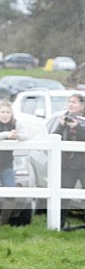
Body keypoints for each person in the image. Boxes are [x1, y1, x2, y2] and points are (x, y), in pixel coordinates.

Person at [0, 101, 30, 225]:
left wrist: (16, 135)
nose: (5, 115)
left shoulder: (15, 123)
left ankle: (2, 222)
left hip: (6, 164)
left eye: (8, 112)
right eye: (2, 112)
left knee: (11, 192)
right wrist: (7, 134)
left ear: (11, 113)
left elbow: (26, 135)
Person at [52, 93, 85, 226]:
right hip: (67, 165)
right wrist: (61, 126)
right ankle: (58, 223)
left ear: (82, 106)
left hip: (83, 164)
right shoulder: (63, 119)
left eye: (74, 102)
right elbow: (53, 138)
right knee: (63, 196)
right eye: (69, 102)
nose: (71, 104)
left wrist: (76, 127)